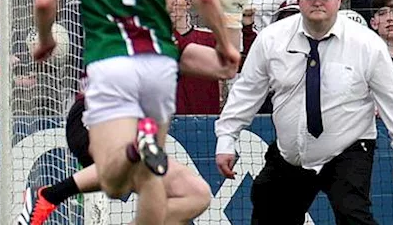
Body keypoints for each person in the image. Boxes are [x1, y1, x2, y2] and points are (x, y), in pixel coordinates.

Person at [30, 0, 239, 225]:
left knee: (113, 181)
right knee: (157, 181)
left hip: (110, 67)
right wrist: (226, 45)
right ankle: (140, 146)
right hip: (157, 68)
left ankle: (131, 149)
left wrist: (45, 39)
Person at [215, 0, 393, 225]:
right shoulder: (271, 39)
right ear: (299, 0)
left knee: (352, 213)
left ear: (339, 0)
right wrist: (226, 138)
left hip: (348, 147)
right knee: (268, 209)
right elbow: (247, 91)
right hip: (291, 153)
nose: (317, 1)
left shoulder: (367, 44)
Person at [19, 23, 240, 225]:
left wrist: (232, 16)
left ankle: (49, 195)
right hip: (93, 117)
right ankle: (49, 196)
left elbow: (226, 68)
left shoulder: (167, 40)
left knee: (195, 195)